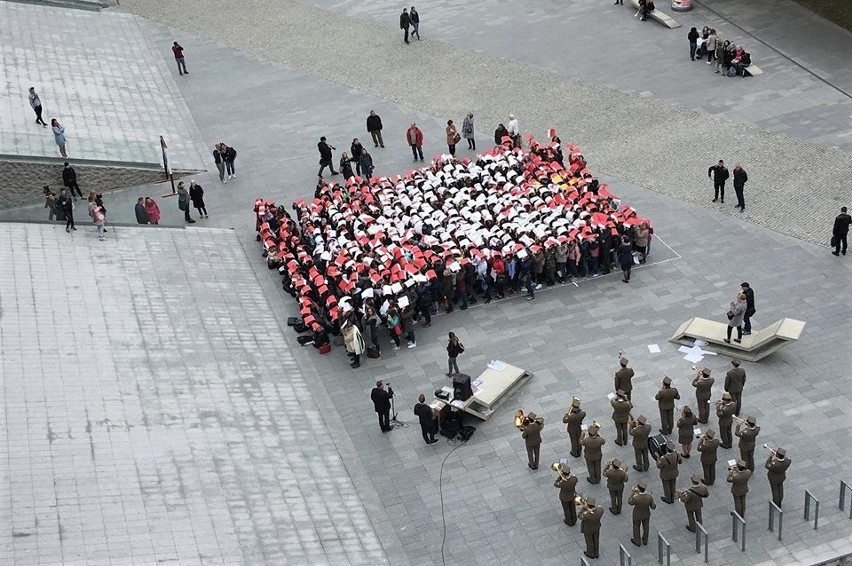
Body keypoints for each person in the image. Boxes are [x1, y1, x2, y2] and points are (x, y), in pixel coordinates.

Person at [628, 479, 655, 546]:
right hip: (646, 514)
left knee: (636, 527)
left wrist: (632, 493)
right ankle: (645, 540)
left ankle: (637, 541)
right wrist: (652, 497)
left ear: (639, 489)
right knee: (646, 527)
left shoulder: (636, 498)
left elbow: (630, 502)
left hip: (637, 514)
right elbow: (653, 507)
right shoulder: (649, 497)